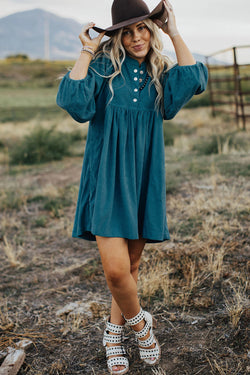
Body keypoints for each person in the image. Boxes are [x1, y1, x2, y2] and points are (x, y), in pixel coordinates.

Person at [56, 0, 208, 373]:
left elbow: (195, 79)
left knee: (132, 265)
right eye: (127, 31)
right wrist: (88, 49)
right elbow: (74, 102)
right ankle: (140, 326)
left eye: (143, 28)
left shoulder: (160, 73)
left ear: (151, 31)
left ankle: (113, 335)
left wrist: (173, 31)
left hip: (143, 177)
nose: (137, 37)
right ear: (118, 37)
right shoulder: (104, 69)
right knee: (115, 271)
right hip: (107, 178)